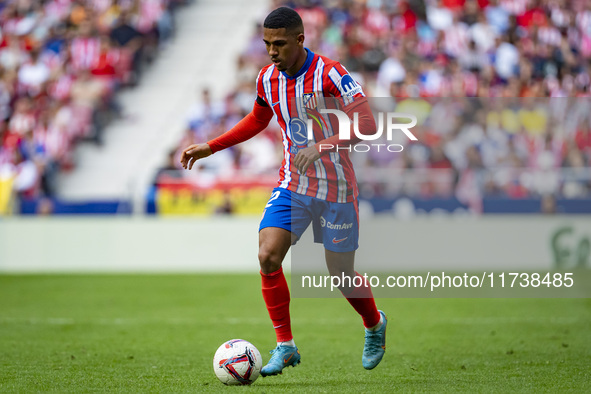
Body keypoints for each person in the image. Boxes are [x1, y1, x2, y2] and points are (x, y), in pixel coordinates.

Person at [180, 7, 387, 377]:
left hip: (336, 189)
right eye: (266, 44)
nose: (271, 51)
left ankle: (373, 324)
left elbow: (367, 124)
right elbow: (258, 119)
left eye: (278, 44)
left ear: (300, 40)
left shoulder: (331, 73)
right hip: (294, 184)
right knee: (267, 255)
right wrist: (211, 146)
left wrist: (321, 146)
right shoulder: (267, 79)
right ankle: (285, 346)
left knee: (340, 274)